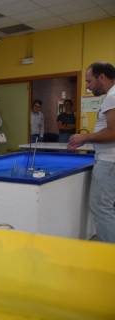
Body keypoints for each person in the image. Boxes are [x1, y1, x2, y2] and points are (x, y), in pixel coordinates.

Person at [68, 62, 115, 243]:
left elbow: (112, 132)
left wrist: (84, 138)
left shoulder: (112, 96)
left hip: (109, 162)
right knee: (108, 207)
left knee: (102, 208)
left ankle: (108, 257)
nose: (87, 86)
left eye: (89, 81)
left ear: (101, 77)